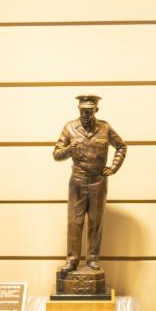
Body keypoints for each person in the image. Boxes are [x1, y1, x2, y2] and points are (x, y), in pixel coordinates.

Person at [53, 94, 127, 272]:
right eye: (83, 111)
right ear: (78, 109)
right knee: (74, 222)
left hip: (98, 182)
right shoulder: (69, 128)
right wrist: (68, 149)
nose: (86, 114)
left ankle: (92, 258)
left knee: (95, 221)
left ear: (96, 110)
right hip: (77, 182)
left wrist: (113, 168)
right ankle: (72, 260)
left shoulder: (105, 128)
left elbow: (121, 146)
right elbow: (56, 154)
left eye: (90, 111)